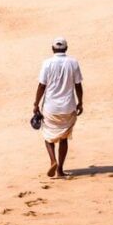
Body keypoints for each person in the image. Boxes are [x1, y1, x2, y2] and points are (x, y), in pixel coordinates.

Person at [33, 37, 84, 178]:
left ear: (52, 49)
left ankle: (53, 160)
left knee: (48, 137)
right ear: (66, 48)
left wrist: (36, 104)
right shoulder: (73, 62)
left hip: (51, 107)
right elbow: (78, 85)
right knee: (64, 138)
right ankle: (60, 169)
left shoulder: (47, 63)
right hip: (68, 107)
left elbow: (42, 85)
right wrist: (80, 102)